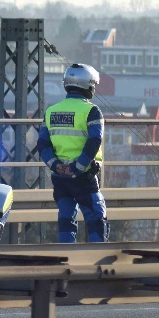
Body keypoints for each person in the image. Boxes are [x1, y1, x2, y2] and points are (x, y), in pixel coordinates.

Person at [37, 63, 108, 243]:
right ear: (88, 85)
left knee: (66, 218)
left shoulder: (51, 111)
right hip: (84, 176)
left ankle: (66, 257)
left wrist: (56, 165)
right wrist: (77, 168)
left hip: (60, 178)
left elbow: (43, 144)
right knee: (96, 216)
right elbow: (94, 141)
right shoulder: (91, 111)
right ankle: (98, 258)